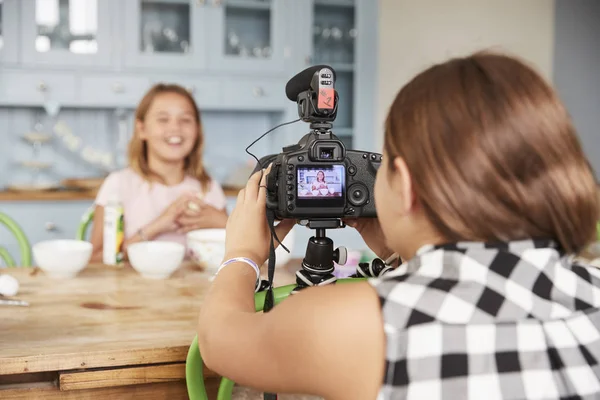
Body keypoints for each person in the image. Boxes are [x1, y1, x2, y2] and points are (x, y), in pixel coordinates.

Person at [196, 52, 600, 400]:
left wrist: (243, 255)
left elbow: (219, 341)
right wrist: (400, 253)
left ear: (405, 186)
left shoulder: (366, 322)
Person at [90, 83, 228, 262]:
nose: (175, 128)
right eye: (163, 119)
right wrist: (158, 225)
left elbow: (239, 254)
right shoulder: (119, 184)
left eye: (185, 120)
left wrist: (224, 222)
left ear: (197, 130)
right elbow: (96, 259)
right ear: (142, 129)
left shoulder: (208, 188)